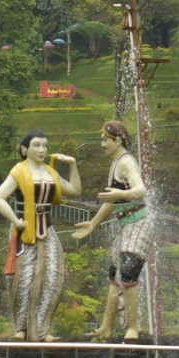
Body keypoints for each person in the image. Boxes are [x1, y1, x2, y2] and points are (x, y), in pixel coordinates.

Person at [0, 130, 81, 341]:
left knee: (54, 276)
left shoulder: (50, 172)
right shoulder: (18, 172)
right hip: (24, 229)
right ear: (25, 149)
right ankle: (21, 329)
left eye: (44, 145)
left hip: (47, 229)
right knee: (22, 278)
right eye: (36, 145)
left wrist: (73, 165)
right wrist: (16, 221)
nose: (42, 150)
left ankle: (43, 329)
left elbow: (75, 190)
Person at [72, 121, 153, 340]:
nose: (102, 144)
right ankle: (106, 327)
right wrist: (93, 223)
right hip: (126, 224)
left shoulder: (126, 162)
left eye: (105, 140)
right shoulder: (116, 162)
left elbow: (140, 190)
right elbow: (112, 200)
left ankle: (133, 328)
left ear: (118, 140)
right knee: (114, 274)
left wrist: (120, 196)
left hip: (139, 222)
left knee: (128, 268)